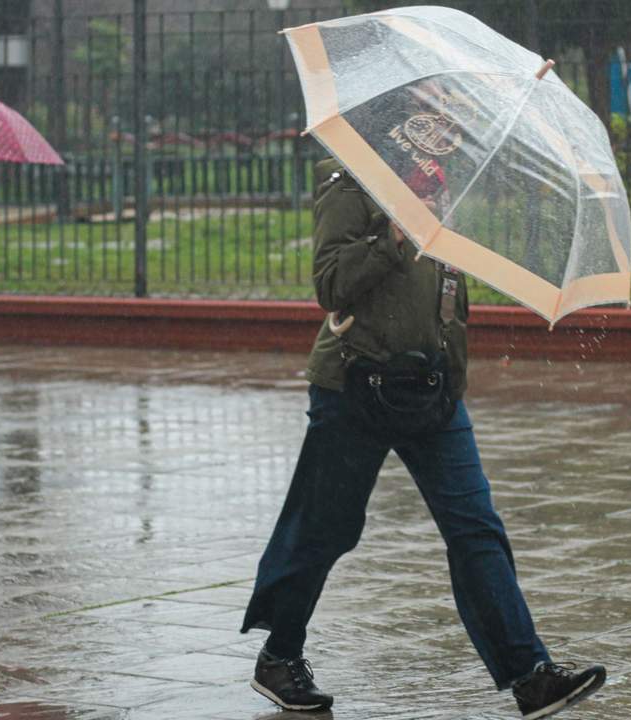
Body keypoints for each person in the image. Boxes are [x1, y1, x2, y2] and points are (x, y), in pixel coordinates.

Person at [240, 155, 606, 720]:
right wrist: (393, 235)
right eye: (428, 104)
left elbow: (446, 293)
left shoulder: (446, 186)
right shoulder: (351, 181)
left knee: (475, 526)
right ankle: (279, 656)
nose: (439, 117)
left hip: (433, 390)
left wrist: (453, 373)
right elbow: (330, 283)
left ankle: (530, 676)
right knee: (326, 528)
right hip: (354, 386)